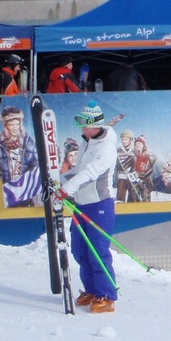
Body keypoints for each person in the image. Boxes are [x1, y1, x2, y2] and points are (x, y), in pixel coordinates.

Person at [58, 102, 120, 313]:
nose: (81, 128)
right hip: (81, 204)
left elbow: (91, 173)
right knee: (79, 250)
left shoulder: (106, 147)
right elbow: (77, 171)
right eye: (80, 123)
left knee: (97, 251)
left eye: (84, 124)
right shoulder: (87, 142)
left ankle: (107, 296)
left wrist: (66, 189)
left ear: (95, 124)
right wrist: (58, 180)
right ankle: (92, 290)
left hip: (99, 204)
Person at [0, 105, 39, 207]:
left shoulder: (28, 142)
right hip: (6, 191)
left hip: (26, 192)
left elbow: (36, 164)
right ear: (6, 126)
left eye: (17, 124)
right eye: (11, 125)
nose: (15, 128)